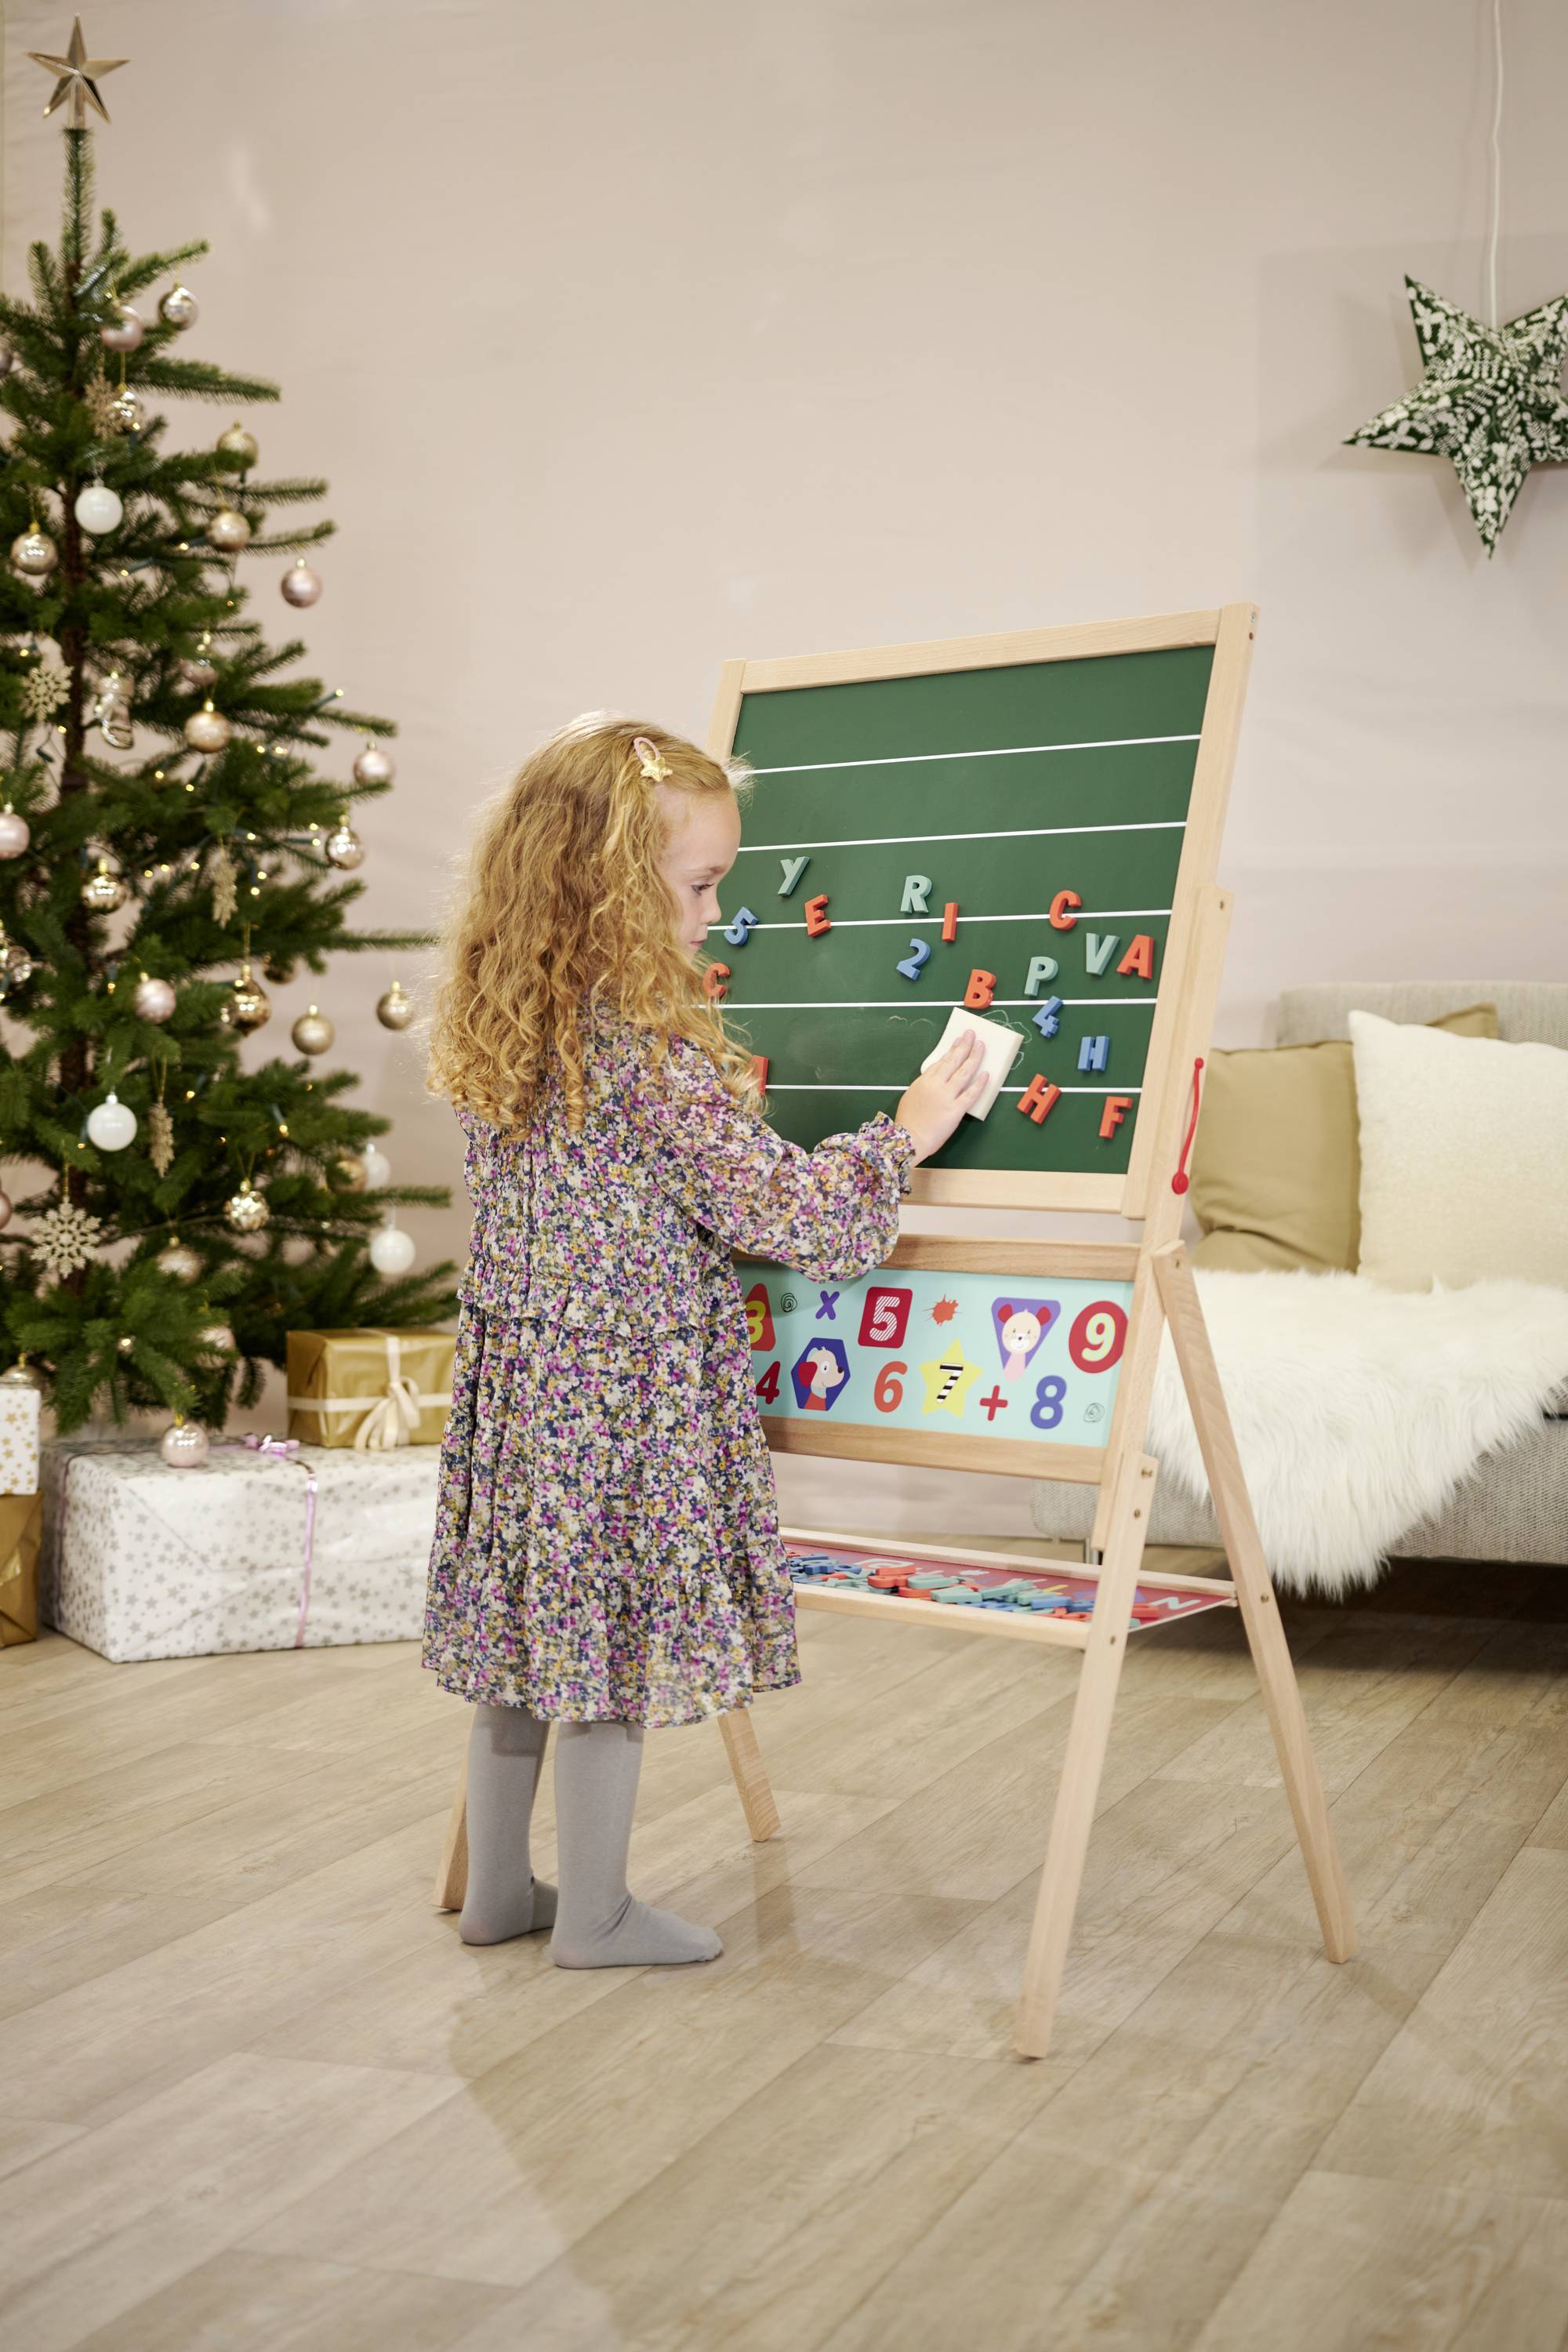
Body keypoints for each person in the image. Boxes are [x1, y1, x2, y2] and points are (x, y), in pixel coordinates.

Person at [423, 715, 985, 1969]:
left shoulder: (504, 1021)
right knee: (609, 1656)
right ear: (616, 885)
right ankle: (601, 1915)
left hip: (521, 1392)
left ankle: (503, 1892)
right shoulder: (649, 1053)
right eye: (699, 885)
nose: (714, 915)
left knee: (523, 1645)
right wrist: (901, 1134)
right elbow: (800, 1219)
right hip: (618, 1399)